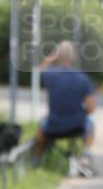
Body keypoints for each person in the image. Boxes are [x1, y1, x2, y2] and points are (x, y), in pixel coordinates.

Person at [34, 41, 95, 175]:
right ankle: (85, 154)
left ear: (57, 57)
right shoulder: (82, 78)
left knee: (41, 125)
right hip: (77, 126)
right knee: (91, 123)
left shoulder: (50, 75)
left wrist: (51, 56)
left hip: (53, 126)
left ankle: (36, 161)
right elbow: (91, 108)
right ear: (73, 58)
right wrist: (80, 113)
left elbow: (39, 71)